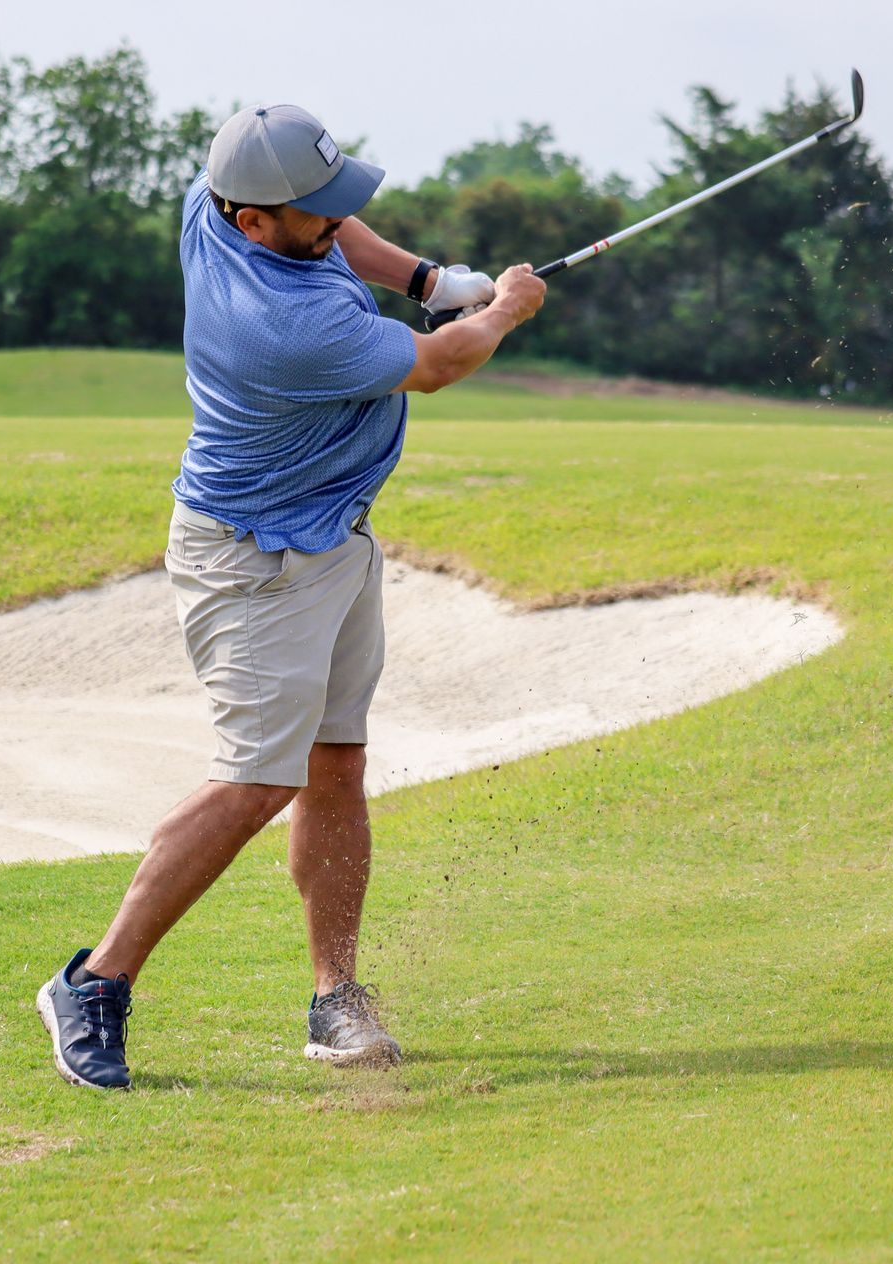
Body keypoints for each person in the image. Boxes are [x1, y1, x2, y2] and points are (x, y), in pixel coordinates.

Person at [37, 103, 547, 1088]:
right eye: (309, 212)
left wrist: (428, 280)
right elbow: (437, 364)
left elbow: (344, 236)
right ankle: (94, 981)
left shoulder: (216, 200)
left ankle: (334, 999)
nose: (330, 222)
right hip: (256, 563)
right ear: (252, 221)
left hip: (333, 541)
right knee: (257, 779)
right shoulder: (284, 325)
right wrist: (502, 307)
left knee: (336, 763)